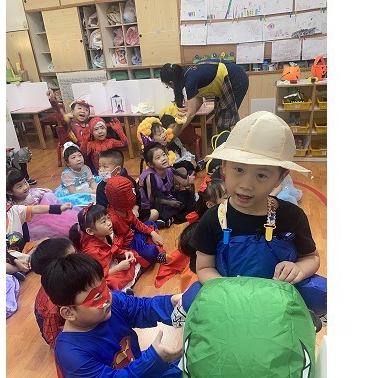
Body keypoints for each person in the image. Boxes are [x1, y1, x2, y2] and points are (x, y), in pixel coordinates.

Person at [175, 111, 327, 329]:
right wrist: (230, 291)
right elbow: (204, 268)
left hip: (280, 301)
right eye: (239, 169)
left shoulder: (292, 216)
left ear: (280, 178)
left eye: (261, 175)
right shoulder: (213, 219)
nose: (246, 184)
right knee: (193, 302)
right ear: (224, 166)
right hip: (228, 301)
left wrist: (299, 269)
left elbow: (311, 257)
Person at [42, 252, 184, 378]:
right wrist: (149, 363)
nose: (107, 298)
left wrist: (172, 303)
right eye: (96, 297)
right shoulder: (69, 351)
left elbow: (142, 308)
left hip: (133, 374)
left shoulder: (113, 301)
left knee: (177, 367)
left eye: (104, 287)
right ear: (69, 312)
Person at [69, 203, 148, 293]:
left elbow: (112, 251)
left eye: (108, 218)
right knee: (111, 282)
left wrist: (124, 254)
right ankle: (123, 292)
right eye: (103, 221)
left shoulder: (105, 234)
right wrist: (118, 268)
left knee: (132, 254)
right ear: (90, 231)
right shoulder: (91, 250)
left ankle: (128, 283)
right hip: (101, 273)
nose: (109, 223)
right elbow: (97, 275)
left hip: (110, 264)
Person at [160, 60, 249, 137]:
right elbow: (199, 102)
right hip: (232, 76)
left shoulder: (190, 80)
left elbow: (191, 113)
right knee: (221, 121)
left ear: (171, 83)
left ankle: (227, 148)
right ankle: (224, 146)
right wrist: (187, 113)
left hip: (236, 79)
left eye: (168, 86)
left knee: (224, 122)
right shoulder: (188, 74)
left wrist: (174, 133)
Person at [105, 175, 168, 265]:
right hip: (127, 243)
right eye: (129, 193)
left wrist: (152, 233)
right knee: (151, 252)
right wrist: (124, 252)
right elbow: (114, 243)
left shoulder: (126, 209)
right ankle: (153, 252)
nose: (133, 195)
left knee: (150, 223)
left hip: (133, 233)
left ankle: (147, 240)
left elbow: (136, 222)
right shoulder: (112, 219)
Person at [6, 197, 73, 279]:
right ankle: (19, 269)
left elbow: (35, 209)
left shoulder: (13, 210)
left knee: (45, 241)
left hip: (23, 249)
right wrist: (15, 261)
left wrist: (59, 208)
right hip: (8, 257)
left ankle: (27, 264)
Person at [7, 167, 78, 240]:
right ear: (10, 192)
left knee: (65, 227)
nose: (25, 187)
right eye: (19, 186)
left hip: (49, 217)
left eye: (25, 182)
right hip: (32, 227)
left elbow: (49, 196)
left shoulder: (35, 194)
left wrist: (58, 207)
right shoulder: (12, 206)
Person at [29, 237, 76, 346]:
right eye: (72, 258)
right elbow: (53, 339)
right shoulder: (53, 306)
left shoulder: (67, 279)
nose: (79, 259)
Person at [95, 148, 160, 224]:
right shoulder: (101, 188)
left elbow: (137, 197)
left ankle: (137, 226)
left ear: (118, 170)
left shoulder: (129, 181)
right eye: (100, 166)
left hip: (132, 214)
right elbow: (102, 209)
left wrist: (135, 209)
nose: (101, 170)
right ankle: (139, 226)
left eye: (105, 167)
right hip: (115, 220)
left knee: (155, 213)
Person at [138, 144, 196, 227]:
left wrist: (189, 181)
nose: (163, 158)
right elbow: (152, 200)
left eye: (164, 155)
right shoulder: (150, 177)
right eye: (158, 158)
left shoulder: (169, 169)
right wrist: (169, 202)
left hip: (167, 197)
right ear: (151, 164)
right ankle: (165, 219)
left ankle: (169, 218)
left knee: (187, 194)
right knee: (163, 208)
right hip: (153, 204)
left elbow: (184, 182)